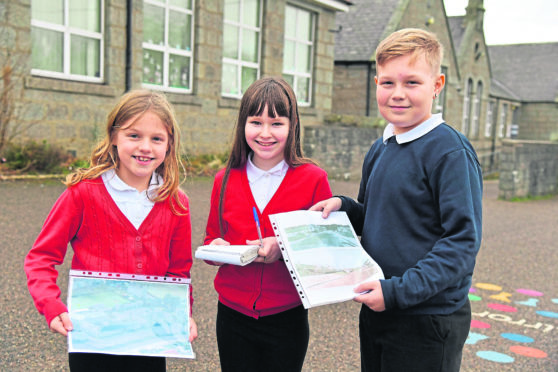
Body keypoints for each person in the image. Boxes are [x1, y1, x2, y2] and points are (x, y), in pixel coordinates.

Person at [311, 28, 483, 372]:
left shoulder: (451, 153)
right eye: (387, 83)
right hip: (379, 306)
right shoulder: (381, 146)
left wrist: (397, 292)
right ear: (376, 83)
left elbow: (461, 243)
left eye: (412, 83)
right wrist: (344, 208)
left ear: (437, 84)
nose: (398, 94)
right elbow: (375, 215)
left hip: (427, 318)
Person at [24, 89, 197, 372]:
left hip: (149, 339)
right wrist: (51, 305)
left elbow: (179, 272)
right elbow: (41, 257)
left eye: (157, 139)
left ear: (169, 145)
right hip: (92, 339)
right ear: (114, 137)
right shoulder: (82, 194)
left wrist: (181, 313)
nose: (145, 147)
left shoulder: (177, 202)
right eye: (134, 135)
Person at [203, 76, 332, 372]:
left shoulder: (314, 180)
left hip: (287, 316)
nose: (265, 133)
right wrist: (216, 249)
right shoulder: (224, 180)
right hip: (232, 315)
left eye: (276, 123)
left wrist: (284, 246)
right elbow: (211, 238)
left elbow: (322, 253)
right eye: (256, 122)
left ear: (292, 126)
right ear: (242, 125)